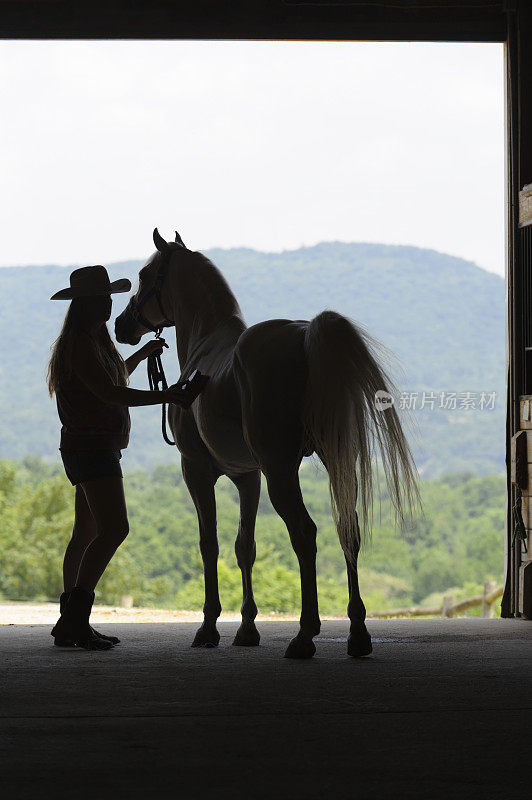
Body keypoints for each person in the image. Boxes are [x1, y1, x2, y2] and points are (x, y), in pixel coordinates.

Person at [46, 265, 205, 651]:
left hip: (85, 447)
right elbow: (111, 394)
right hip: (93, 449)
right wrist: (170, 395)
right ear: (86, 304)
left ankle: (69, 621)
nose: (109, 303)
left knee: (85, 533)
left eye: (109, 296)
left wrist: (140, 355)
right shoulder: (82, 344)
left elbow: (111, 380)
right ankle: (75, 620)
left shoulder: (87, 341)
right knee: (115, 529)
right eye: (102, 298)